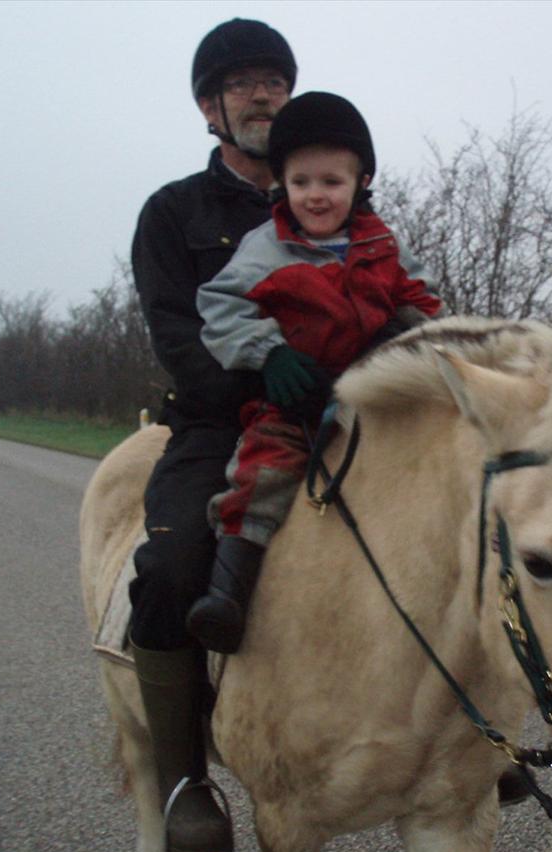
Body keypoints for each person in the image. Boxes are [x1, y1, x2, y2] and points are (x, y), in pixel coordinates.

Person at [185, 91, 443, 655]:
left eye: (331, 182)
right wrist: (269, 354)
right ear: (282, 184)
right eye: (301, 182)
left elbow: (423, 301)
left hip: (373, 394)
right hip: (296, 397)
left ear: (361, 183)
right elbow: (220, 304)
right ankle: (228, 592)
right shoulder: (267, 246)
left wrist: (406, 333)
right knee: (262, 472)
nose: (315, 196)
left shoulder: (381, 244)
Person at [127, 18, 296, 852]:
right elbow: (176, 332)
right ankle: (185, 779)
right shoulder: (171, 212)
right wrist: (266, 383)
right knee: (166, 571)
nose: (263, 94)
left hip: (333, 416)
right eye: (243, 83)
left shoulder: (325, 192)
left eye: (274, 80)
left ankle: (471, 740)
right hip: (213, 423)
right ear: (210, 107)